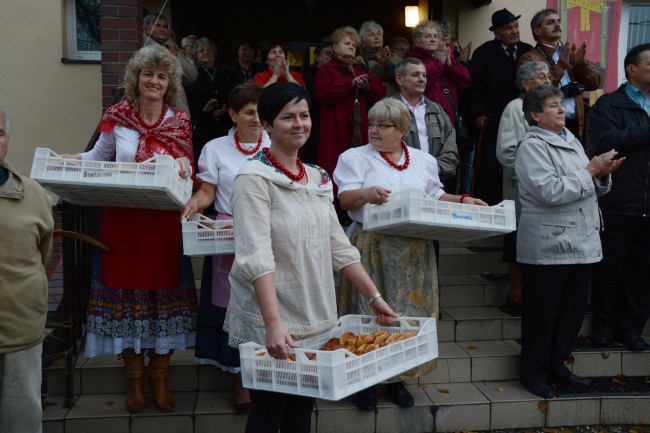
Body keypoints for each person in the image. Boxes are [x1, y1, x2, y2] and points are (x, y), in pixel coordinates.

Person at [223, 82, 397, 433]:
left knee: (302, 411)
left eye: (304, 115)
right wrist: (273, 323)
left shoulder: (317, 177)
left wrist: (373, 297)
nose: (299, 123)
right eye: (288, 117)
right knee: (268, 412)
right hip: (271, 315)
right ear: (268, 124)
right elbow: (255, 255)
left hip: (315, 312)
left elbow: (337, 245)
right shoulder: (252, 179)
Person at [63, 44, 197, 413]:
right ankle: (134, 384)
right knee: (125, 301)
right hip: (122, 222)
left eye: (161, 75)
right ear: (136, 79)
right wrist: (71, 160)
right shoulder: (118, 116)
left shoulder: (180, 120)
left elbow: (187, 166)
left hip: (161, 225)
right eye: (147, 74)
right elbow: (97, 157)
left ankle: (160, 380)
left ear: (169, 83)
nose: (153, 81)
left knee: (161, 301)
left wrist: (183, 168)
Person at [334, 98, 486, 411]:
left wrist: (463, 200)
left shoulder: (422, 160)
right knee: (368, 312)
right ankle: (363, 379)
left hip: (415, 248)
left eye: (384, 125)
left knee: (407, 313)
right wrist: (367, 193)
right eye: (372, 124)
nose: (374, 130)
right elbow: (346, 200)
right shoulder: (354, 157)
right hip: (373, 244)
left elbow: (434, 196)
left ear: (402, 130)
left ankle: (395, 377)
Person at [516, 85, 623, 399]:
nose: (561, 109)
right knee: (542, 314)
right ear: (535, 114)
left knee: (572, 313)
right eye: (553, 105)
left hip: (583, 240)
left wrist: (603, 174)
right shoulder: (532, 145)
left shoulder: (569, 139)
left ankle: (557, 364)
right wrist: (591, 170)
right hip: (549, 243)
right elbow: (549, 191)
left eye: (561, 104)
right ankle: (533, 373)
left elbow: (589, 186)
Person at [181, 83, 270, 413]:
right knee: (236, 309)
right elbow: (207, 191)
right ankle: (241, 381)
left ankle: (266, 374)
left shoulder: (276, 144)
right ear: (232, 115)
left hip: (267, 233)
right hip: (227, 234)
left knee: (265, 307)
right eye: (248, 112)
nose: (256, 118)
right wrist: (195, 203)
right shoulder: (216, 148)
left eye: (260, 112)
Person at [587, 43, 650, 351]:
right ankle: (604, 325)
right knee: (610, 269)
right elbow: (605, 144)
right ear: (631, 69)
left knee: (642, 271)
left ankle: (633, 328)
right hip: (619, 200)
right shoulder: (609, 104)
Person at [0, 110, 54, 433]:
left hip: (21, 332)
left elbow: (42, 255)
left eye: (0, 133)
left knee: (21, 421)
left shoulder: (34, 195)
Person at [496, 61, 551, 314]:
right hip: (520, 187)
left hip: (545, 189)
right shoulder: (515, 107)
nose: (548, 81)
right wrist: (534, 165)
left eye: (549, 76)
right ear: (526, 84)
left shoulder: (549, 110)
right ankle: (515, 295)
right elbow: (506, 152)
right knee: (518, 241)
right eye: (542, 77)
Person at [464, 8, 533, 205]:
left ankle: (513, 205)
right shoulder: (483, 53)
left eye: (516, 26)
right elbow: (473, 87)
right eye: (508, 28)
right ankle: (488, 206)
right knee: (490, 165)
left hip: (522, 117)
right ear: (497, 33)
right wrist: (477, 113)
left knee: (519, 161)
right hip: (492, 118)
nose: (515, 31)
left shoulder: (527, 51)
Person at [516, 9, 602, 142]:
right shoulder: (528, 58)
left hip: (576, 125)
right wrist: (561, 66)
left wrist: (581, 64)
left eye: (559, 21)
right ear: (537, 31)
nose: (557, 25)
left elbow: (595, 83)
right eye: (551, 22)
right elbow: (534, 93)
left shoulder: (571, 52)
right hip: (546, 126)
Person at [315, 26, 386, 179]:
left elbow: (380, 91)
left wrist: (366, 87)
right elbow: (323, 94)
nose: (351, 47)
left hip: (359, 128)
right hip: (335, 127)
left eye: (354, 45)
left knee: (360, 167)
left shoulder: (361, 69)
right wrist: (350, 85)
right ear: (335, 47)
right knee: (333, 163)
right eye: (347, 43)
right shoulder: (326, 70)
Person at [393, 57, 458, 183]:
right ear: (399, 79)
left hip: (433, 182)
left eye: (424, 75)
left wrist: (434, 170)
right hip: (397, 182)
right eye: (415, 75)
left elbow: (451, 151)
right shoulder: (386, 111)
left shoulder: (438, 111)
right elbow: (379, 149)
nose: (422, 79)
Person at [405, 20, 471, 130]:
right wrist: (439, 62)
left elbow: (466, 81)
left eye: (435, 36)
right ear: (417, 41)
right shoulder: (412, 59)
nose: (432, 39)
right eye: (427, 36)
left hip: (449, 121)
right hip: (427, 121)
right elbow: (422, 81)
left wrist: (450, 66)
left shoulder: (442, 58)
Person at [142, 13, 197, 117]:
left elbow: (192, 76)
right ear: (146, 29)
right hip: (155, 106)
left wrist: (176, 58)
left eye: (165, 26)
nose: (162, 29)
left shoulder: (172, 47)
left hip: (178, 106)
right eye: (158, 26)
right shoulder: (141, 45)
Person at [184, 37, 231, 157]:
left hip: (225, 129)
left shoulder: (227, 73)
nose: (205, 52)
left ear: (215, 54)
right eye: (201, 51)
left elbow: (234, 95)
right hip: (203, 130)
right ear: (196, 56)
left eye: (209, 50)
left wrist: (228, 108)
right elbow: (188, 102)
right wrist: (203, 110)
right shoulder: (192, 76)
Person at [302, 41, 334, 163]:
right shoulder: (308, 75)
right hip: (315, 122)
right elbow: (314, 98)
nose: (331, 57)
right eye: (327, 53)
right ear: (316, 56)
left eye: (333, 54)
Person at [359, 20, 395, 96]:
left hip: (394, 100)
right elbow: (367, 81)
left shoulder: (394, 56)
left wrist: (389, 66)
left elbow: (400, 77)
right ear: (363, 43)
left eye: (379, 34)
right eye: (371, 35)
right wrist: (381, 66)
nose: (376, 37)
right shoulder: (360, 60)